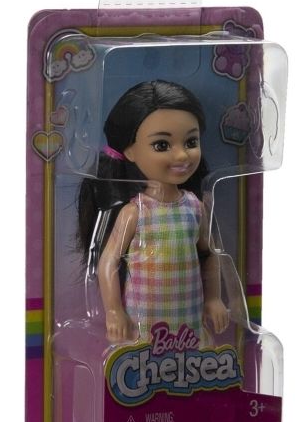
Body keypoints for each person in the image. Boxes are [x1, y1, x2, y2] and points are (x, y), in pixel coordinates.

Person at [77, 80, 229, 343]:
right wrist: (114, 311)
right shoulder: (135, 212)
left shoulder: (195, 206)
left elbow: (210, 254)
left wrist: (214, 298)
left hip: (189, 324)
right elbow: (108, 262)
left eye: (191, 141)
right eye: (162, 145)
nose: (182, 156)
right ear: (130, 151)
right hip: (144, 325)